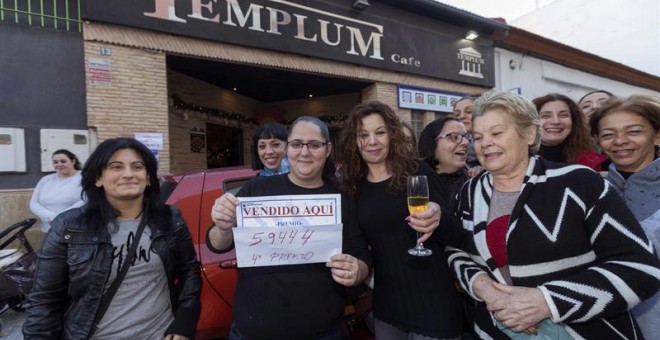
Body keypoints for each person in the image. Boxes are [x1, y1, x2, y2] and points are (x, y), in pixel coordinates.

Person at [446, 90, 660, 339]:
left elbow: (641, 268)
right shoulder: (469, 191)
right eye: (478, 136)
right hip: (494, 332)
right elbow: (455, 250)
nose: (485, 143)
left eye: (496, 133)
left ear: (529, 134)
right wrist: (482, 287)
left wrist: (546, 302)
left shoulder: (579, 182)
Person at [207, 116, 372, 339]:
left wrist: (357, 270)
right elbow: (218, 244)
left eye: (314, 145)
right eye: (296, 144)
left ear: (328, 149)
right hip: (254, 330)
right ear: (287, 148)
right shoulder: (258, 188)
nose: (304, 153)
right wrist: (223, 226)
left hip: (321, 331)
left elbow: (361, 257)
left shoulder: (340, 199)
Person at [23, 138, 201, 340]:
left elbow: (189, 269)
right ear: (98, 178)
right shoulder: (69, 226)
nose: (128, 174)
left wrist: (184, 322)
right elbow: (45, 299)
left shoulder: (170, 218)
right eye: (116, 167)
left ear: (148, 177)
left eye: (137, 167)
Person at [337, 101, 465, 339]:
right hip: (388, 305)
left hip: (435, 302)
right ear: (354, 141)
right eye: (363, 134)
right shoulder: (353, 186)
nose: (372, 141)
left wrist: (438, 215)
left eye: (380, 132)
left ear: (392, 135)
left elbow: (457, 234)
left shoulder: (417, 172)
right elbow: (357, 246)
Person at [590, 94, 660, 339]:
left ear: (657, 135)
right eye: (608, 135)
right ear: (598, 141)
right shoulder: (589, 191)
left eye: (634, 131)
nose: (620, 141)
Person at [533, 93, 608, 171]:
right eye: (546, 116)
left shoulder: (595, 164)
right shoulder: (520, 159)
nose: (556, 121)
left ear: (574, 121)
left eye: (563, 115)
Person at [417, 116, 470, 210]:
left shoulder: (473, 183)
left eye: (466, 137)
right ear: (431, 143)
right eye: (454, 137)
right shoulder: (412, 182)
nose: (465, 142)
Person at [29, 149, 85, 233]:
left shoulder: (84, 178)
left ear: (73, 161)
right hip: (49, 228)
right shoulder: (45, 180)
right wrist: (50, 217)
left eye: (63, 161)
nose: (59, 164)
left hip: (76, 228)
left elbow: (86, 200)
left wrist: (59, 217)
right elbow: (34, 203)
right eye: (55, 162)